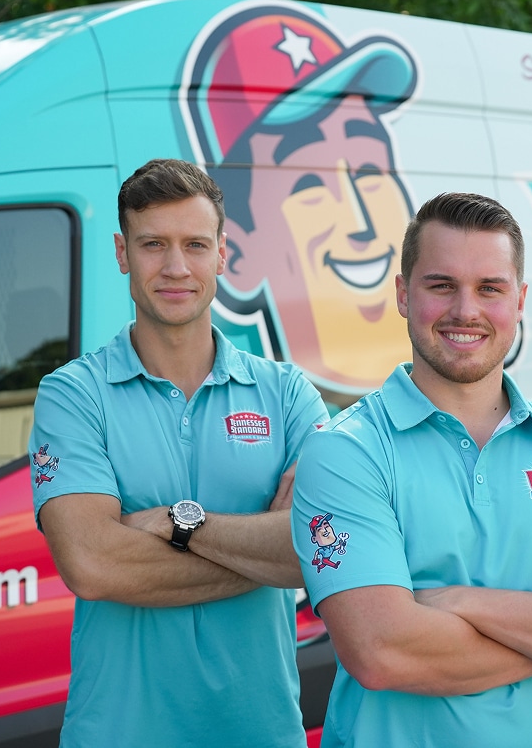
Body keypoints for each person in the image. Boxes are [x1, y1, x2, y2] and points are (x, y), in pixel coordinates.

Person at [291, 192, 532, 747]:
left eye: (490, 288)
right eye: (441, 285)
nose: (465, 311)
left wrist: (458, 602)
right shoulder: (346, 451)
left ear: (519, 301)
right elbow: (383, 652)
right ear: (402, 294)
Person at [29, 158, 328, 747]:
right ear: (121, 253)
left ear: (222, 253)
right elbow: (92, 565)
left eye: (195, 244)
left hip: (259, 732)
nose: (175, 267)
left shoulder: (288, 393)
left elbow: (313, 551)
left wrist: (174, 524)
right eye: (152, 245)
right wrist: (260, 545)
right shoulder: (71, 395)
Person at [181, 3, 419, 394]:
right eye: (308, 186)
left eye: (370, 173)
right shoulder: (270, 419)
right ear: (236, 254)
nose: (361, 224)